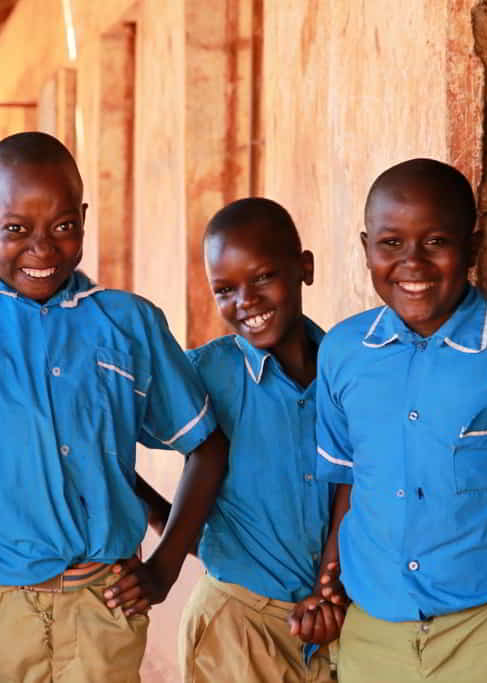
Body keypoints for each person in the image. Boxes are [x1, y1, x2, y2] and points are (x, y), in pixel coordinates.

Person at [0, 131, 229, 682]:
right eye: (15, 229)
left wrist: (166, 566)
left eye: (63, 227)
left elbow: (207, 446)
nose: (42, 248)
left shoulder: (127, 324)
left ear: (83, 218)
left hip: (103, 612)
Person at [315, 158, 487, 682]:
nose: (413, 263)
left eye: (436, 242)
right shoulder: (343, 351)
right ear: (366, 249)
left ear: (473, 247)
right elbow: (349, 480)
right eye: (391, 244)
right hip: (375, 634)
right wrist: (329, 577)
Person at [132, 197, 350, 682]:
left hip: (335, 625)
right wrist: (167, 533)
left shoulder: (348, 368)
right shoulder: (205, 375)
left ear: (304, 268)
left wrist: (333, 588)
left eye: (264, 277)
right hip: (237, 626)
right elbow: (101, 435)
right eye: (225, 289)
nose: (245, 301)